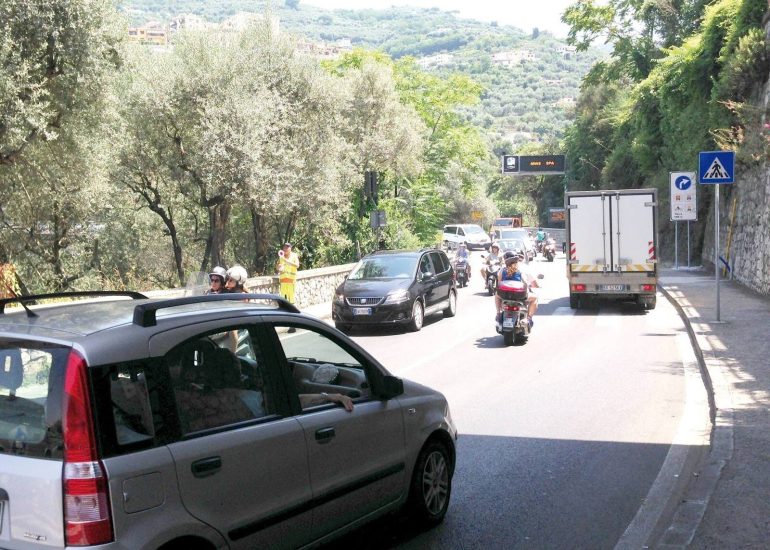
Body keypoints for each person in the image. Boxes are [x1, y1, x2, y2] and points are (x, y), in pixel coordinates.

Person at [495, 251, 539, 326]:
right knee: (535, 298)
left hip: (505, 296)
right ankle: (529, 318)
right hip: (519, 297)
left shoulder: (502, 270)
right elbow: (525, 282)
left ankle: (498, 313)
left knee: (496, 295)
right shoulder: (520, 270)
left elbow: (499, 283)